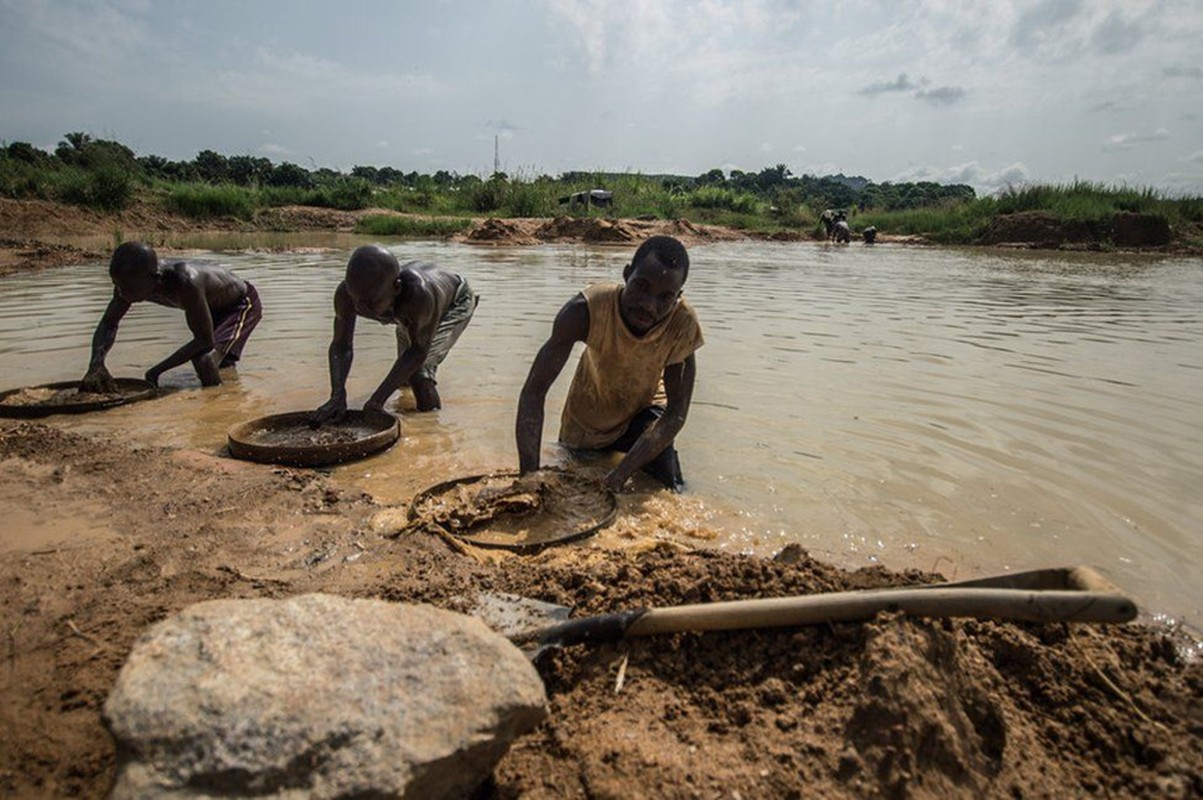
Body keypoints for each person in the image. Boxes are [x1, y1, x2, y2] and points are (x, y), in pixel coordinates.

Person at [516, 235, 703, 493]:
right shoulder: (585, 310)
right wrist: (528, 478)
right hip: (586, 422)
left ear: (677, 297)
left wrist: (619, 476)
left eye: (664, 297)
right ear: (627, 275)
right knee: (573, 481)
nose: (649, 305)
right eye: (641, 286)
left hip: (643, 412)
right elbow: (534, 392)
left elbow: (675, 415)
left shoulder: (682, 324)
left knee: (667, 488)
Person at [312, 245, 478, 423]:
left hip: (455, 302)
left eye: (372, 301)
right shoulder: (346, 294)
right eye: (356, 298)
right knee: (404, 380)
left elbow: (418, 351)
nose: (362, 308)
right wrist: (337, 394)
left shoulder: (418, 296)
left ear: (397, 289)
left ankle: (430, 427)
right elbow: (341, 345)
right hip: (411, 313)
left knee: (419, 374)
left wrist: (377, 400)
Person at [81, 241, 262, 391]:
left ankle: (218, 404)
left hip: (239, 305)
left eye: (128, 288)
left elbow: (204, 341)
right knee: (218, 362)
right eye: (117, 284)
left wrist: (156, 371)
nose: (121, 293)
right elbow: (109, 323)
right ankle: (227, 382)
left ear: (155, 278)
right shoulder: (128, 284)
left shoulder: (185, 282)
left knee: (204, 359)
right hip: (209, 306)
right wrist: (96, 364)